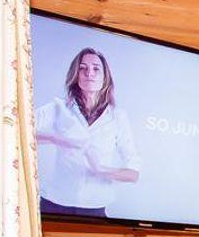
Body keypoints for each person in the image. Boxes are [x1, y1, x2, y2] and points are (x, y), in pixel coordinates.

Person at [35, 46, 141, 218]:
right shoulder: (58, 107)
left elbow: (133, 173)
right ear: (75, 75)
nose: (89, 73)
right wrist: (55, 138)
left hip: (94, 208)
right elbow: (18, 130)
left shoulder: (118, 116)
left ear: (105, 77)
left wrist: (100, 169)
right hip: (53, 203)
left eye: (96, 69)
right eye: (82, 68)